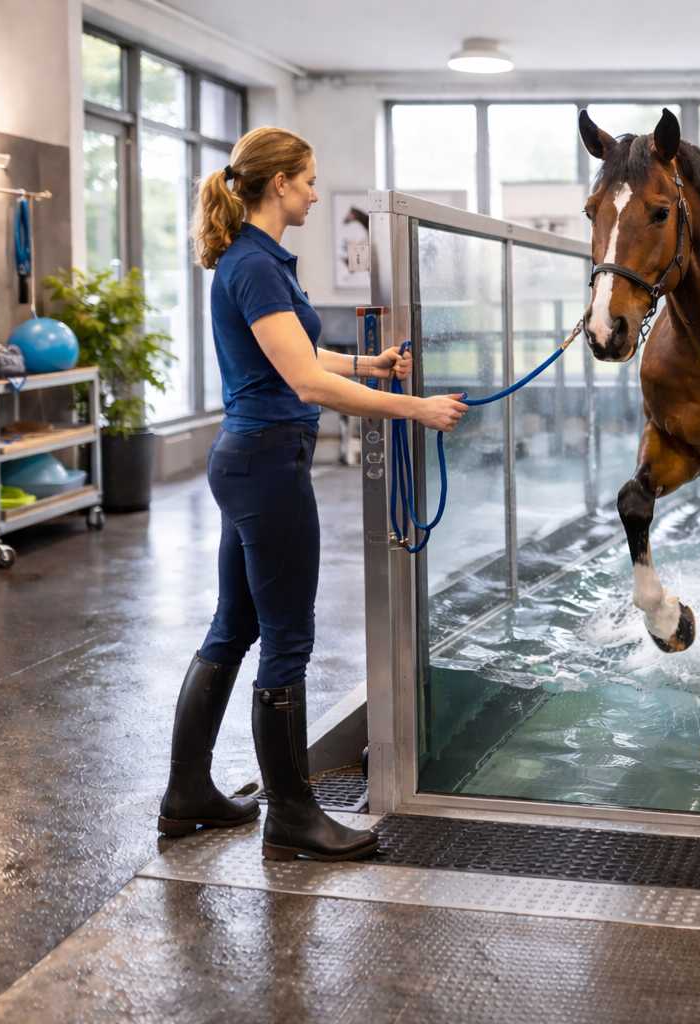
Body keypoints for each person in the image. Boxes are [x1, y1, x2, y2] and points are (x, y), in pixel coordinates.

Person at [158, 126, 466, 861]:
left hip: (250, 459)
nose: (317, 193)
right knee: (287, 638)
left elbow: (298, 349)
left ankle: (186, 793)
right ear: (279, 185)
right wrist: (416, 409)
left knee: (234, 626)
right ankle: (293, 816)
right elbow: (303, 381)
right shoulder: (255, 266)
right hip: (267, 465)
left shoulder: (254, 261)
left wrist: (372, 364)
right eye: (309, 180)